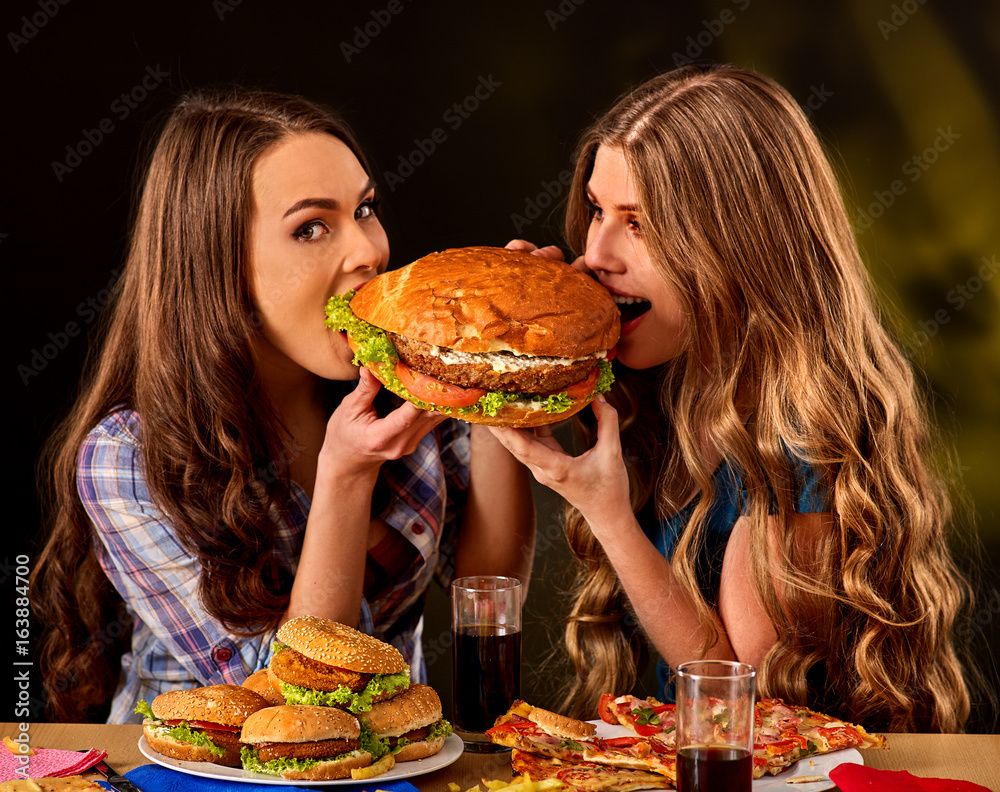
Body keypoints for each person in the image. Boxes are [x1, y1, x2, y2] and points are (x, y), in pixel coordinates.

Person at [497, 63, 972, 733]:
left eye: (641, 224)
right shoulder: (663, 389)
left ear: (739, 245)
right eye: (598, 211)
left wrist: (607, 513)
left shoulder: (804, 431)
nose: (596, 253)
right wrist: (507, 340)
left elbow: (736, 704)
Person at [33, 89, 534, 723]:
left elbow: (487, 593)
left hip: (386, 768)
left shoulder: (409, 388)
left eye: (366, 210)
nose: (369, 253)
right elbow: (290, 699)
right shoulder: (125, 460)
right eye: (312, 228)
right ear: (219, 268)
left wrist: (495, 381)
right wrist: (347, 475)